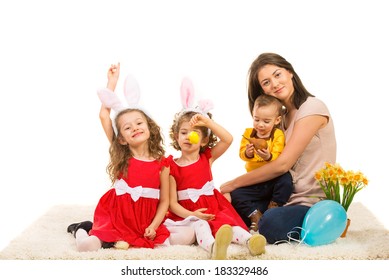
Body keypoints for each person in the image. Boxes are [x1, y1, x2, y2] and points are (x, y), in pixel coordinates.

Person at [67, 64, 195, 251]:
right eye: (127, 128)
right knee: (87, 247)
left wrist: (152, 226)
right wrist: (112, 82)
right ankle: (81, 229)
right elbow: (104, 116)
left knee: (188, 234)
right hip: (117, 216)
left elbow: (165, 201)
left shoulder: (162, 163)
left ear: (149, 127)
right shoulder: (123, 153)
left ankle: (122, 239)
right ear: (122, 139)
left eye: (138, 123)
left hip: (145, 219)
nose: (134, 128)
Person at [220, 53, 336, 244]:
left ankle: (263, 221)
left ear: (289, 72)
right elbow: (269, 161)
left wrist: (234, 182)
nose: (274, 84)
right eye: (266, 82)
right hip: (280, 196)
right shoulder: (279, 119)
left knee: (270, 225)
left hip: (308, 202)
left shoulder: (312, 108)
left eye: (277, 74)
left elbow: (282, 165)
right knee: (228, 201)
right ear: (263, 92)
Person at [163, 79, 266, 259]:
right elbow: (172, 203)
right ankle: (213, 248)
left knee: (228, 225)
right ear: (176, 136)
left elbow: (228, 139)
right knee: (201, 226)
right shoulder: (171, 166)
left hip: (212, 207)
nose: (187, 137)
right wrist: (192, 214)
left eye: (194, 133)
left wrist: (208, 122)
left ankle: (251, 241)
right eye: (183, 132)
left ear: (203, 140)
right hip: (188, 212)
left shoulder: (207, 158)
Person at [230, 94, 293, 233]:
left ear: (277, 120)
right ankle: (255, 215)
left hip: (272, 179)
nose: (260, 124)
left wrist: (269, 156)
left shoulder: (277, 134)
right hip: (254, 180)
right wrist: (248, 153)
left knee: (286, 180)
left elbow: (279, 155)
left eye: (266, 121)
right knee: (236, 194)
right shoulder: (248, 133)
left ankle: (273, 207)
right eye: (256, 119)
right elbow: (242, 155)